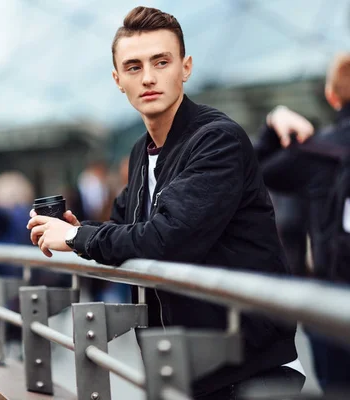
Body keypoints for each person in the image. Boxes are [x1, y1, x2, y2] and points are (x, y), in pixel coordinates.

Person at [27, 6, 303, 399]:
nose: (149, 77)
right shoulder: (142, 151)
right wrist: (73, 228)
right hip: (182, 367)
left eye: (161, 62)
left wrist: (77, 238)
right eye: (134, 67)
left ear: (185, 67)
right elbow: (125, 228)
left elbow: (170, 239)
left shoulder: (216, 139)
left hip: (253, 369)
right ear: (117, 79)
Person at [255, 53, 350, 395]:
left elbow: (249, 170)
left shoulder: (318, 152)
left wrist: (274, 122)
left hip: (331, 303)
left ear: (332, 96)